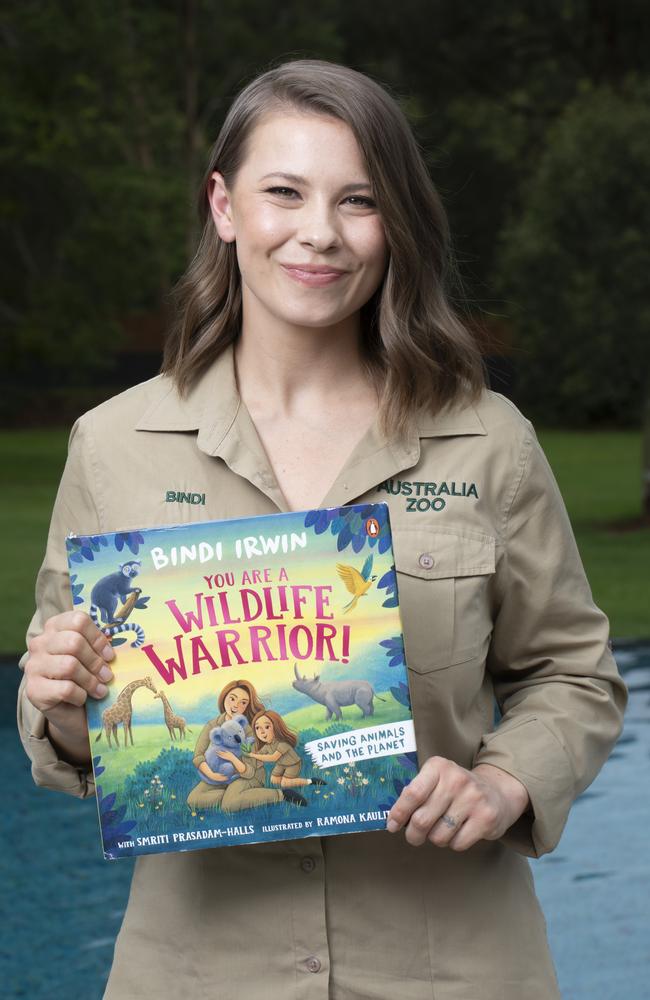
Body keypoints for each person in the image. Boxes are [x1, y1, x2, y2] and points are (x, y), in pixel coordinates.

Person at [18, 58, 627, 999]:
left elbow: (574, 673)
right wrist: (62, 699)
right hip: (195, 971)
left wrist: (508, 779)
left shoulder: (489, 441)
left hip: (455, 967)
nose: (320, 234)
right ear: (224, 207)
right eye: (284, 193)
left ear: (395, 226)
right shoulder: (112, 446)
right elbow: (75, 733)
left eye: (358, 201)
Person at [248, 708, 326, 789]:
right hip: (280, 764)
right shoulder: (267, 745)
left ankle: (310, 781)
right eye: (257, 728)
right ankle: (288, 782)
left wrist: (254, 756)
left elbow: (273, 758)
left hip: (292, 765)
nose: (262, 732)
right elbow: (259, 753)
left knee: (285, 784)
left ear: (276, 727)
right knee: (274, 780)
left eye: (267, 727)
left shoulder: (282, 744)